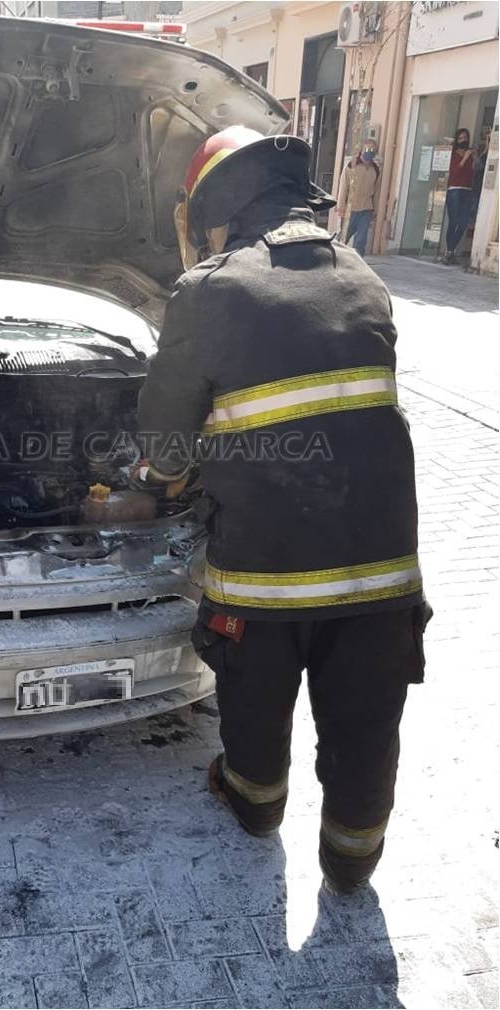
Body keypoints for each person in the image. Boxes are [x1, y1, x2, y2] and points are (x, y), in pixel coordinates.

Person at [136, 126, 429, 894]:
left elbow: (166, 442)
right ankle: (351, 864)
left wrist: (161, 475)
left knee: (256, 708)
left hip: (266, 574)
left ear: (218, 208)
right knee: (367, 726)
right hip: (383, 569)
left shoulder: (210, 289)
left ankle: (256, 805)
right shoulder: (365, 279)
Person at [335, 138, 380, 258]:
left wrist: (374, 210)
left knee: (361, 240)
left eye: (372, 149)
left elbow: (376, 191)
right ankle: (336, 257)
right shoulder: (352, 165)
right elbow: (343, 187)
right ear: (361, 149)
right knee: (343, 238)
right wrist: (341, 207)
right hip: (351, 209)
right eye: (367, 148)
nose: (369, 151)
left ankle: (358, 263)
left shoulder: (375, 169)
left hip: (366, 209)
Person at [443, 127, 476, 264]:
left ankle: (451, 251)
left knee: (463, 223)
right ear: (457, 139)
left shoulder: (470, 154)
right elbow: (454, 172)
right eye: (461, 138)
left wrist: (473, 158)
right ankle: (449, 252)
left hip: (467, 190)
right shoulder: (453, 153)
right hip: (454, 189)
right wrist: (465, 158)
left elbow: (475, 171)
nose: (464, 140)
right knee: (454, 222)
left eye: (465, 137)